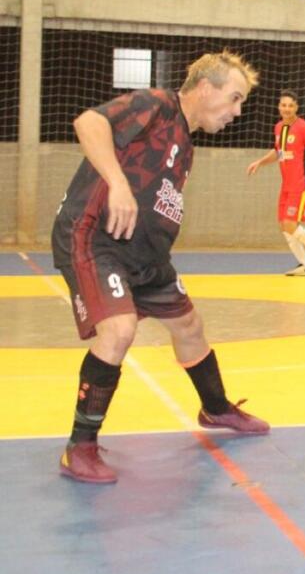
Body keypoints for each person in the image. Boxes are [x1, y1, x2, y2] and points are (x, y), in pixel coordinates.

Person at [53, 50, 270, 484]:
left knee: (189, 327)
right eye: (234, 98)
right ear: (205, 87)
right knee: (119, 331)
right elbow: (89, 122)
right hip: (96, 239)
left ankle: (215, 408)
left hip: (147, 257)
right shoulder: (155, 104)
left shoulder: (185, 142)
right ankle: (80, 446)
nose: (237, 112)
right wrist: (116, 183)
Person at [246, 90, 305, 276]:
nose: (286, 109)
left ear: (296, 107)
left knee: (290, 223)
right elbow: (279, 152)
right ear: (279, 107)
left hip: (302, 185)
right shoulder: (279, 127)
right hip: (287, 185)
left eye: (290, 105)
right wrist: (260, 162)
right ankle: (304, 264)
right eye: (283, 105)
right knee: (284, 225)